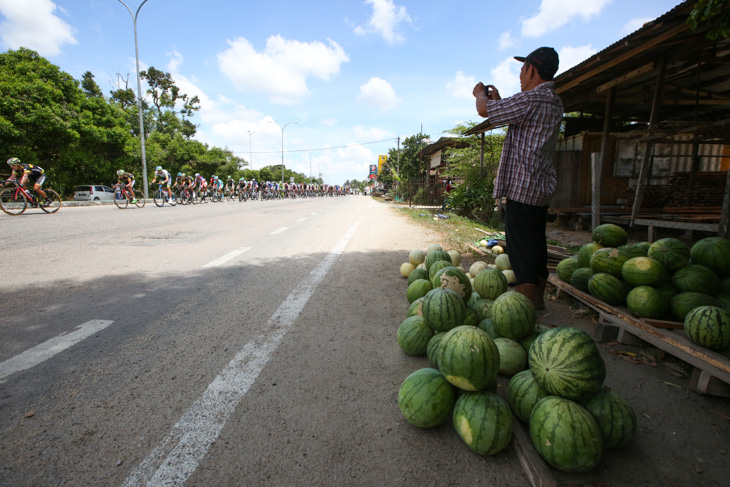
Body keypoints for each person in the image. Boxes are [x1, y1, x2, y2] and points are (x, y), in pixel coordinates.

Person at [472, 47, 563, 309]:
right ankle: (538, 301)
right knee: (535, 246)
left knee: (521, 253)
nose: (520, 77)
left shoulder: (531, 100)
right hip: (540, 187)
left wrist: (480, 93)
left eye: (522, 70)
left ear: (531, 69)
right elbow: (512, 111)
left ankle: (524, 312)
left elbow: (483, 110)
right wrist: (500, 100)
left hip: (522, 188)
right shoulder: (554, 101)